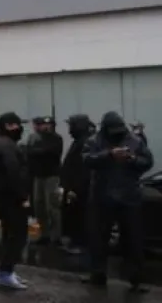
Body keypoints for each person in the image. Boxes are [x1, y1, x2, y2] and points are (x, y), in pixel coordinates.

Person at [82, 111, 153, 293]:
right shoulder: (94, 141)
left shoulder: (135, 141)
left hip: (129, 197)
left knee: (133, 240)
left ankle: (136, 278)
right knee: (98, 238)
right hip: (102, 196)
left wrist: (132, 159)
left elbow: (147, 161)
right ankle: (97, 273)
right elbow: (87, 159)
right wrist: (109, 155)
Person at [0, 112, 30, 290]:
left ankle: (7, 271)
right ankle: (5, 273)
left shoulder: (0, 142)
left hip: (4, 195)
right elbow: (13, 172)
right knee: (17, 236)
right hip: (11, 198)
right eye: (17, 125)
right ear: (8, 126)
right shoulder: (6, 146)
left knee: (10, 235)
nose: (20, 128)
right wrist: (23, 196)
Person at [23, 116, 64, 247]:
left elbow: (51, 152)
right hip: (38, 175)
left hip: (51, 175)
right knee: (39, 205)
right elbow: (29, 152)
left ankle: (56, 236)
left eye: (47, 124)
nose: (44, 127)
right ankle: (44, 234)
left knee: (51, 206)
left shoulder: (56, 139)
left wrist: (37, 151)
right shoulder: (35, 138)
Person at [60, 114, 94, 254]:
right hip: (74, 187)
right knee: (73, 215)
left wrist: (75, 188)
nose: (69, 129)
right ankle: (75, 241)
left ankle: (81, 245)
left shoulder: (85, 142)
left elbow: (82, 169)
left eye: (71, 126)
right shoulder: (79, 141)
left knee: (80, 217)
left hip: (80, 189)